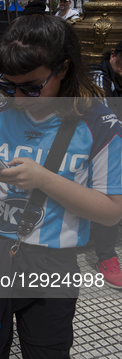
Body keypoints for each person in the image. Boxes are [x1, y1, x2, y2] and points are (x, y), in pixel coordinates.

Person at [0, 15, 122, 359]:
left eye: (32, 87)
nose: (19, 98)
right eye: (8, 86)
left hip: (51, 262)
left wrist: (44, 179)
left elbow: (112, 209)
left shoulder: (98, 124)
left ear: (64, 68)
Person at [88, 40, 122, 289]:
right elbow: (108, 122)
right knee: (111, 186)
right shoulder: (98, 76)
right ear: (113, 55)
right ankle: (106, 255)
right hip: (94, 144)